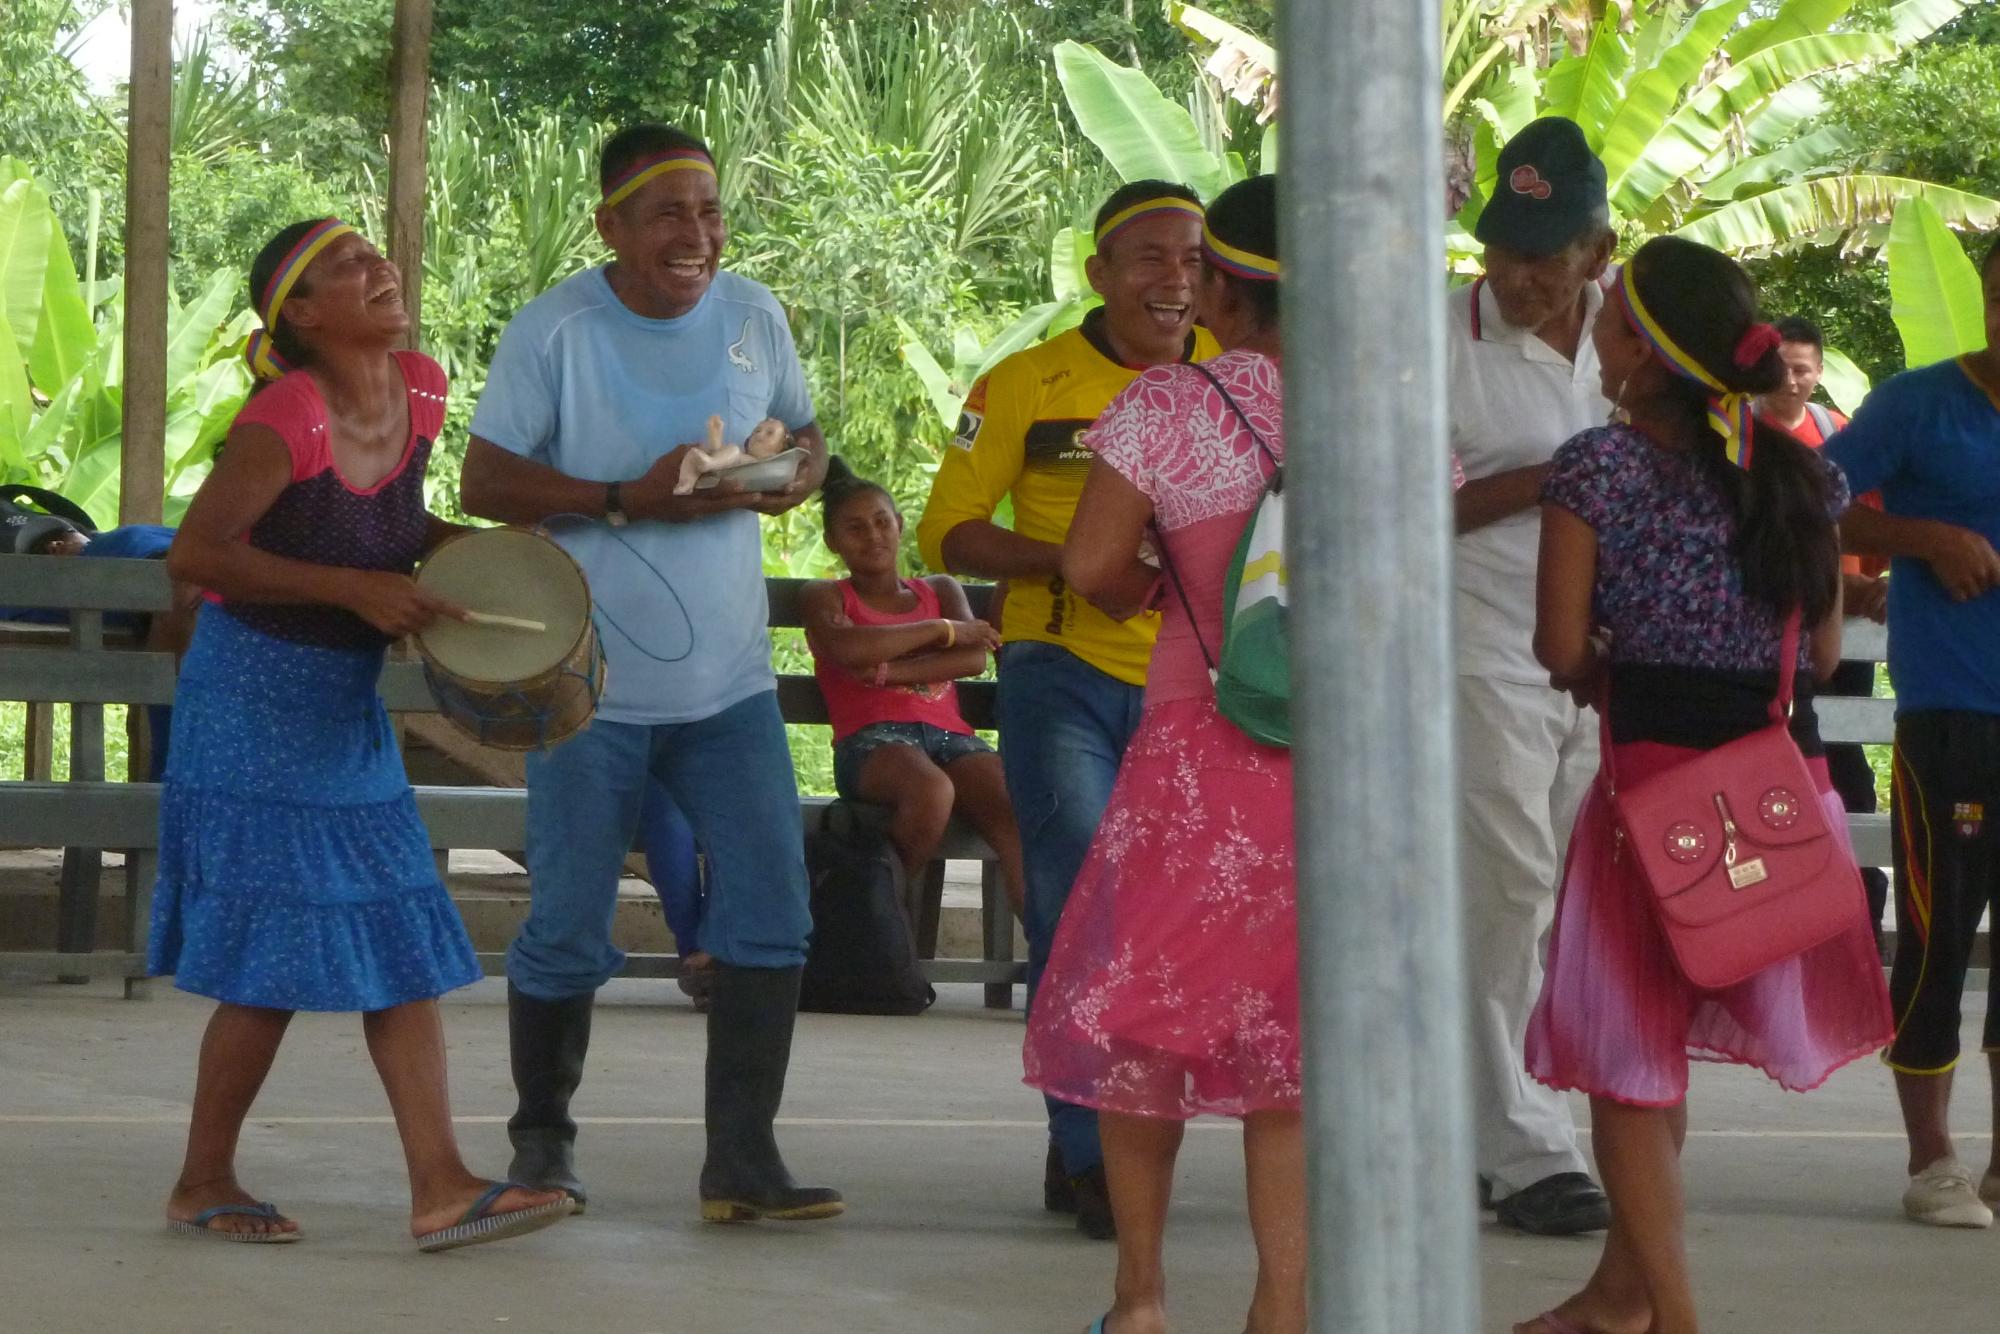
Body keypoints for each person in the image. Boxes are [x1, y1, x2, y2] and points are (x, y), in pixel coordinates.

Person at [149, 219, 574, 1251]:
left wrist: (468, 554)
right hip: (252, 701)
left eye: (375, 255)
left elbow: (394, 518)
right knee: (273, 951)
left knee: (389, 931)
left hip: (337, 705)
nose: (378, 269)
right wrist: (354, 589)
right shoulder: (283, 415)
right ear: (299, 315)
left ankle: (437, 1181)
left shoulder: (419, 387)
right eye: (347, 268)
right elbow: (198, 553)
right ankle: (211, 1177)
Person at [460, 123, 841, 1224]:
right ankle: (543, 1147)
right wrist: (627, 497)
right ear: (610, 226)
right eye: (668, 212)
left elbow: (809, 441)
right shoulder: (557, 329)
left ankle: (742, 1162)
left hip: (729, 687)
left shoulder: (755, 314)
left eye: (711, 210)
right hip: (589, 687)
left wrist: (783, 477)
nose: (697, 234)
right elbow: (486, 477)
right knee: (571, 918)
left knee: (771, 913)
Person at [1519, 235, 1893, 1334]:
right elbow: (1820, 655)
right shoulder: (1794, 474)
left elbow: (1553, 647)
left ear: (1637, 346)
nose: (1594, 319)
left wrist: (1602, 655)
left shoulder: (1597, 467)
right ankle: (1616, 1293)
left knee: (1626, 1065)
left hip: (1647, 797)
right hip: (1768, 788)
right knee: (1657, 1047)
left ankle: (1672, 1314)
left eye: (1609, 309)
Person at [916, 180, 1219, 1239]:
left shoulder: (1241, 380)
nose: (1171, 277)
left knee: (1177, 922)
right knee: (1081, 898)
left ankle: (1112, 1135)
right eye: (1145, 256)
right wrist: (1080, 559)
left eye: (1189, 255)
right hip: (1060, 675)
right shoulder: (1024, 383)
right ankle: (1090, 1150)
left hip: (1200, 686)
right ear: (1095, 273)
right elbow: (944, 529)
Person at [1025, 174, 1300, 1334]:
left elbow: (1087, 567)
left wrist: (1177, 597)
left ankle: (1138, 1295)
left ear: (1219, 286)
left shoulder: (1168, 406)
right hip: (1337, 768)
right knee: (1293, 1049)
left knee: (1149, 1028)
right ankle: (1281, 1305)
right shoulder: (1392, 410)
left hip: (1196, 746)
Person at [1448, 115, 1615, 1236]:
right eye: (1502, 253)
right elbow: (1389, 502)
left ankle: (1514, 1119)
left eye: (1543, 260)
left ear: (1596, 256)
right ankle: (1518, 1142)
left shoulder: (1634, 335)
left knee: (1573, 892)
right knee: (1507, 881)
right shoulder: (1439, 334)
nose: (1515, 278)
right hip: (1483, 637)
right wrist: (1553, 479)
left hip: (1606, 658)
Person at [1823, 237, 2000, 1229]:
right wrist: (1920, 538)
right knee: (1937, 933)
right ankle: (1931, 1156)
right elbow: (1807, 495)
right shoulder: (1916, 403)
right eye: (1998, 295)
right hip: (1951, 713)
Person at [801, 457, 1021, 909]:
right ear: (832, 541)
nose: (873, 535)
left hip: (953, 740)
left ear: (900, 524)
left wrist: (885, 669)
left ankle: (1050, 958)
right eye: (855, 528)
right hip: (872, 743)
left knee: (1015, 808)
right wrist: (939, 631)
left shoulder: (938, 588)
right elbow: (847, 650)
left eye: (882, 522)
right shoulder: (824, 596)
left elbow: (973, 656)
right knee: (932, 792)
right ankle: (879, 931)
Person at [1754, 316, 1891, 942]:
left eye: (1803, 367)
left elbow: (1875, 521)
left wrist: (1865, 587)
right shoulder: (1738, 437)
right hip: (1765, 625)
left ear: (1818, 371)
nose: (1792, 379)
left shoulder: (1840, 434)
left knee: (1841, 753)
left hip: (1840, 623)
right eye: (1780, 365)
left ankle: (1862, 904)